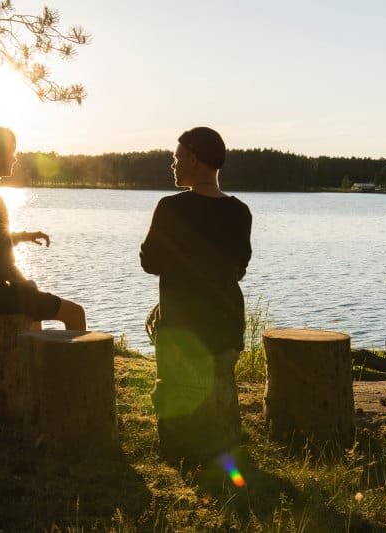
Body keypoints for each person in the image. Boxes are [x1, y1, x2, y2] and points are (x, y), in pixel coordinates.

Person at [140, 126, 252, 463]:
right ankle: (227, 455)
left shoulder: (171, 208)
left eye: (177, 158)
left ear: (195, 158)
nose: (173, 165)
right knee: (221, 393)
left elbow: (150, 261)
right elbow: (238, 268)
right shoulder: (239, 211)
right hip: (225, 324)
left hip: (181, 327)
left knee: (179, 397)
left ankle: (184, 458)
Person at [0, 126, 86, 330]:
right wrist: (26, 284)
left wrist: (23, 236)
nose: (15, 158)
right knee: (74, 312)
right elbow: (4, 262)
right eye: (11, 152)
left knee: (30, 296)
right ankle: (70, 361)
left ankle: (35, 356)